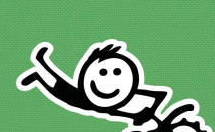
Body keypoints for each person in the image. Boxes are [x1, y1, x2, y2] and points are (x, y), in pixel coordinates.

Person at [17, 40, 171, 125]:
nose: (109, 80)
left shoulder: (128, 90)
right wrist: (144, 114)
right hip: (90, 101)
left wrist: (143, 114)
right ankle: (40, 68)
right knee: (64, 91)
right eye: (103, 73)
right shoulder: (127, 93)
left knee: (63, 91)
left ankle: (40, 71)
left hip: (93, 104)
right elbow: (161, 95)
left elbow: (161, 94)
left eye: (117, 72)